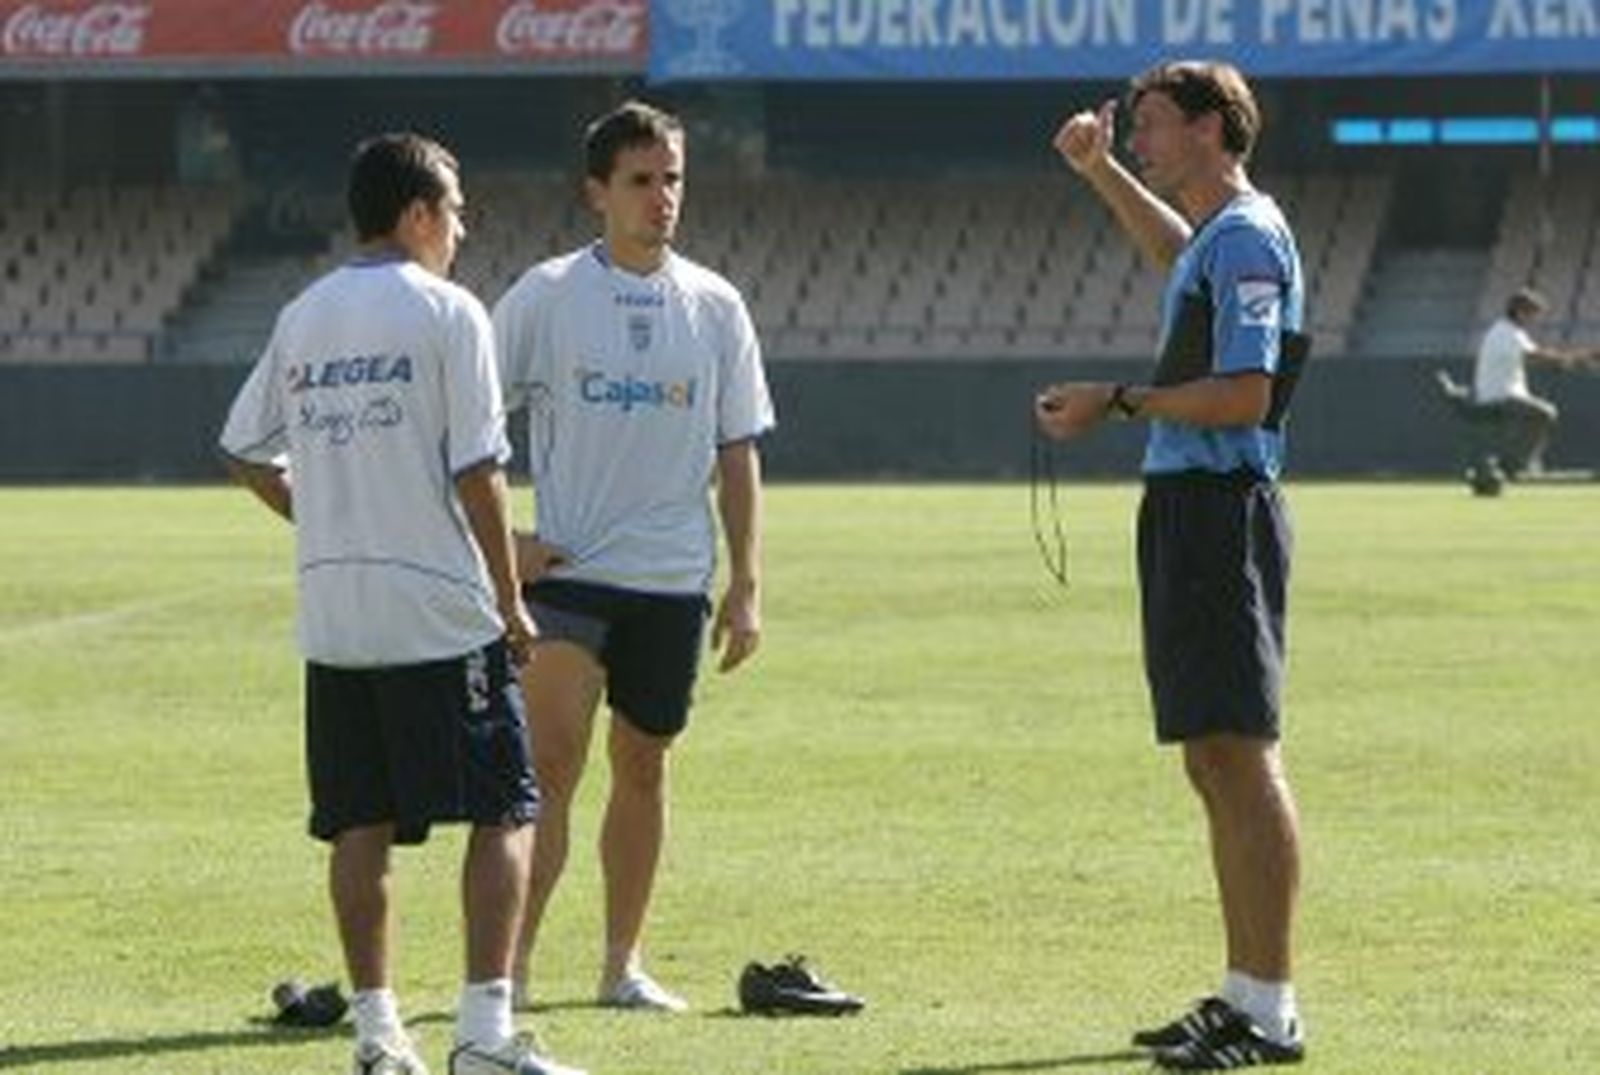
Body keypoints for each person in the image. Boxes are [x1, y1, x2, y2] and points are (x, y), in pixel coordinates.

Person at [219, 133, 585, 1075]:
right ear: (419, 212)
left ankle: (379, 1040)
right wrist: (511, 600)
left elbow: (245, 452)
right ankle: (484, 1037)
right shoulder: (449, 312)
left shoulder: (303, 314)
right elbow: (480, 470)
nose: (463, 228)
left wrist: (323, 516)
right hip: (437, 607)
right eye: (457, 210)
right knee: (508, 803)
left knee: (358, 821)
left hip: (336, 610)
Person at [1038, 62, 1308, 1070]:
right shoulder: (1222, 237)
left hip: (1218, 510)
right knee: (1211, 756)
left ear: (1207, 128)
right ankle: (1243, 993)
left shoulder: (1246, 238)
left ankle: (1269, 1009)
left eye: (1147, 124)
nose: (1138, 135)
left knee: (1239, 753)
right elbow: (1173, 253)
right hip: (1193, 510)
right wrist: (1100, 170)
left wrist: (1118, 398)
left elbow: (1243, 393)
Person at [492, 100, 774, 1013]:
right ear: (597, 192)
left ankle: (622, 966)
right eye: (642, 181)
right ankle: (510, 972)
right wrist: (505, 543)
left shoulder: (717, 304)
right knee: (551, 764)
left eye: (674, 179)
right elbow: (471, 433)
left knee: (644, 767)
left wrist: (746, 586)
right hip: (568, 576)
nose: (662, 198)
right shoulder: (544, 294)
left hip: (671, 581)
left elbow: (738, 451)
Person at [1472, 286, 1600, 476]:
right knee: (1546, 413)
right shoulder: (1508, 333)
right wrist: (1584, 357)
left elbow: (1540, 358)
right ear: (1519, 312)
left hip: (1502, 394)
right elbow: (1539, 357)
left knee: (1540, 415)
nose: (1535, 319)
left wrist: (1574, 360)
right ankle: (1517, 464)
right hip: (1499, 396)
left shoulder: (1509, 331)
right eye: (1533, 314)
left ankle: (1518, 462)